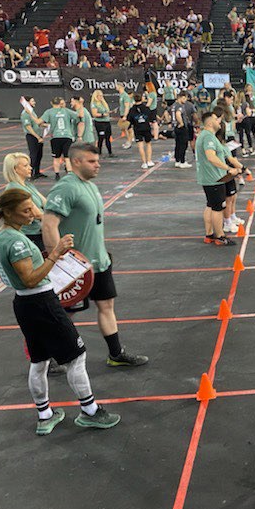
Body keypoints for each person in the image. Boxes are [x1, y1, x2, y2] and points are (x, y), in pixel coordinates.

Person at [0, 188, 122, 435]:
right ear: (8, 212)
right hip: (41, 302)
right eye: (26, 210)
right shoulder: (16, 242)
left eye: (32, 208)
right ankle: (90, 411)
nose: (33, 214)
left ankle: (45, 415)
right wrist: (56, 253)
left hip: (24, 304)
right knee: (77, 356)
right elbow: (30, 279)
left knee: (39, 360)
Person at [42, 143, 149, 368]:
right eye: (92, 161)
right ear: (76, 161)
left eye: (97, 160)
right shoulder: (66, 188)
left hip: (99, 262)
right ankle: (48, 359)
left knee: (106, 306)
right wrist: (58, 261)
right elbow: (49, 224)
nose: (97, 165)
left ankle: (116, 354)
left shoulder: (89, 185)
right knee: (66, 314)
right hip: (75, 267)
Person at [196, 110, 245, 246]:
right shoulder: (208, 137)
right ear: (210, 122)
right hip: (214, 179)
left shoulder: (204, 135)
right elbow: (211, 157)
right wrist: (228, 169)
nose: (219, 121)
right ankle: (220, 236)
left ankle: (209, 234)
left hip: (208, 178)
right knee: (218, 208)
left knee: (210, 205)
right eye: (216, 119)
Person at [40, 97, 78, 180]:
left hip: (56, 137)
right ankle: (70, 174)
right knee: (67, 157)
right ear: (60, 103)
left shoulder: (49, 112)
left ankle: (57, 174)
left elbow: (39, 122)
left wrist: (47, 125)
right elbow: (78, 115)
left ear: (52, 103)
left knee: (56, 157)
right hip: (67, 136)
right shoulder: (66, 111)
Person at [127, 93, 155, 169]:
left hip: (137, 129)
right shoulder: (146, 108)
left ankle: (144, 162)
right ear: (142, 99)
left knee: (140, 146)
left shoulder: (132, 110)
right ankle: (149, 160)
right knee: (148, 144)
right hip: (146, 128)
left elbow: (129, 120)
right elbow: (151, 118)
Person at [21, 97, 46, 179]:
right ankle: (31, 173)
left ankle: (37, 172)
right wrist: (38, 137)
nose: (34, 102)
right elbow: (28, 127)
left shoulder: (32, 112)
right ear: (28, 102)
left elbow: (37, 122)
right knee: (33, 155)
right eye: (32, 101)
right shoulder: (25, 113)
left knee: (39, 155)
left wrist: (47, 125)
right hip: (32, 136)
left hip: (38, 135)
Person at [169, 92, 192, 169]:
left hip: (175, 127)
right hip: (181, 128)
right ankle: (182, 161)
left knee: (178, 144)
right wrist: (181, 123)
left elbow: (168, 113)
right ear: (180, 97)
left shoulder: (173, 106)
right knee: (183, 145)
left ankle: (177, 160)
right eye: (184, 98)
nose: (185, 100)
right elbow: (178, 114)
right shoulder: (179, 106)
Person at [90, 90, 113, 157]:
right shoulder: (94, 104)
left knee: (108, 137)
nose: (101, 97)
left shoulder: (103, 103)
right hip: (100, 123)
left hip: (106, 121)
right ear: (96, 96)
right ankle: (99, 152)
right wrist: (103, 114)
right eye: (99, 96)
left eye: (102, 96)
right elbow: (94, 114)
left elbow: (107, 111)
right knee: (101, 138)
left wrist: (109, 113)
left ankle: (110, 152)